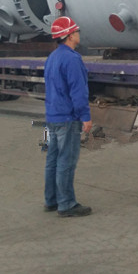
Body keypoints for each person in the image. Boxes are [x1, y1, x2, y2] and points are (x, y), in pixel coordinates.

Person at [44, 16, 93, 217]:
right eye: (76, 31)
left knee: (53, 159)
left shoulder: (52, 57)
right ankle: (66, 204)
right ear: (70, 36)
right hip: (67, 118)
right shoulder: (72, 59)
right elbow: (78, 91)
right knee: (66, 161)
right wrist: (85, 116)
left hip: (52, 117)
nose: (78, 33)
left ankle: (51, 200)